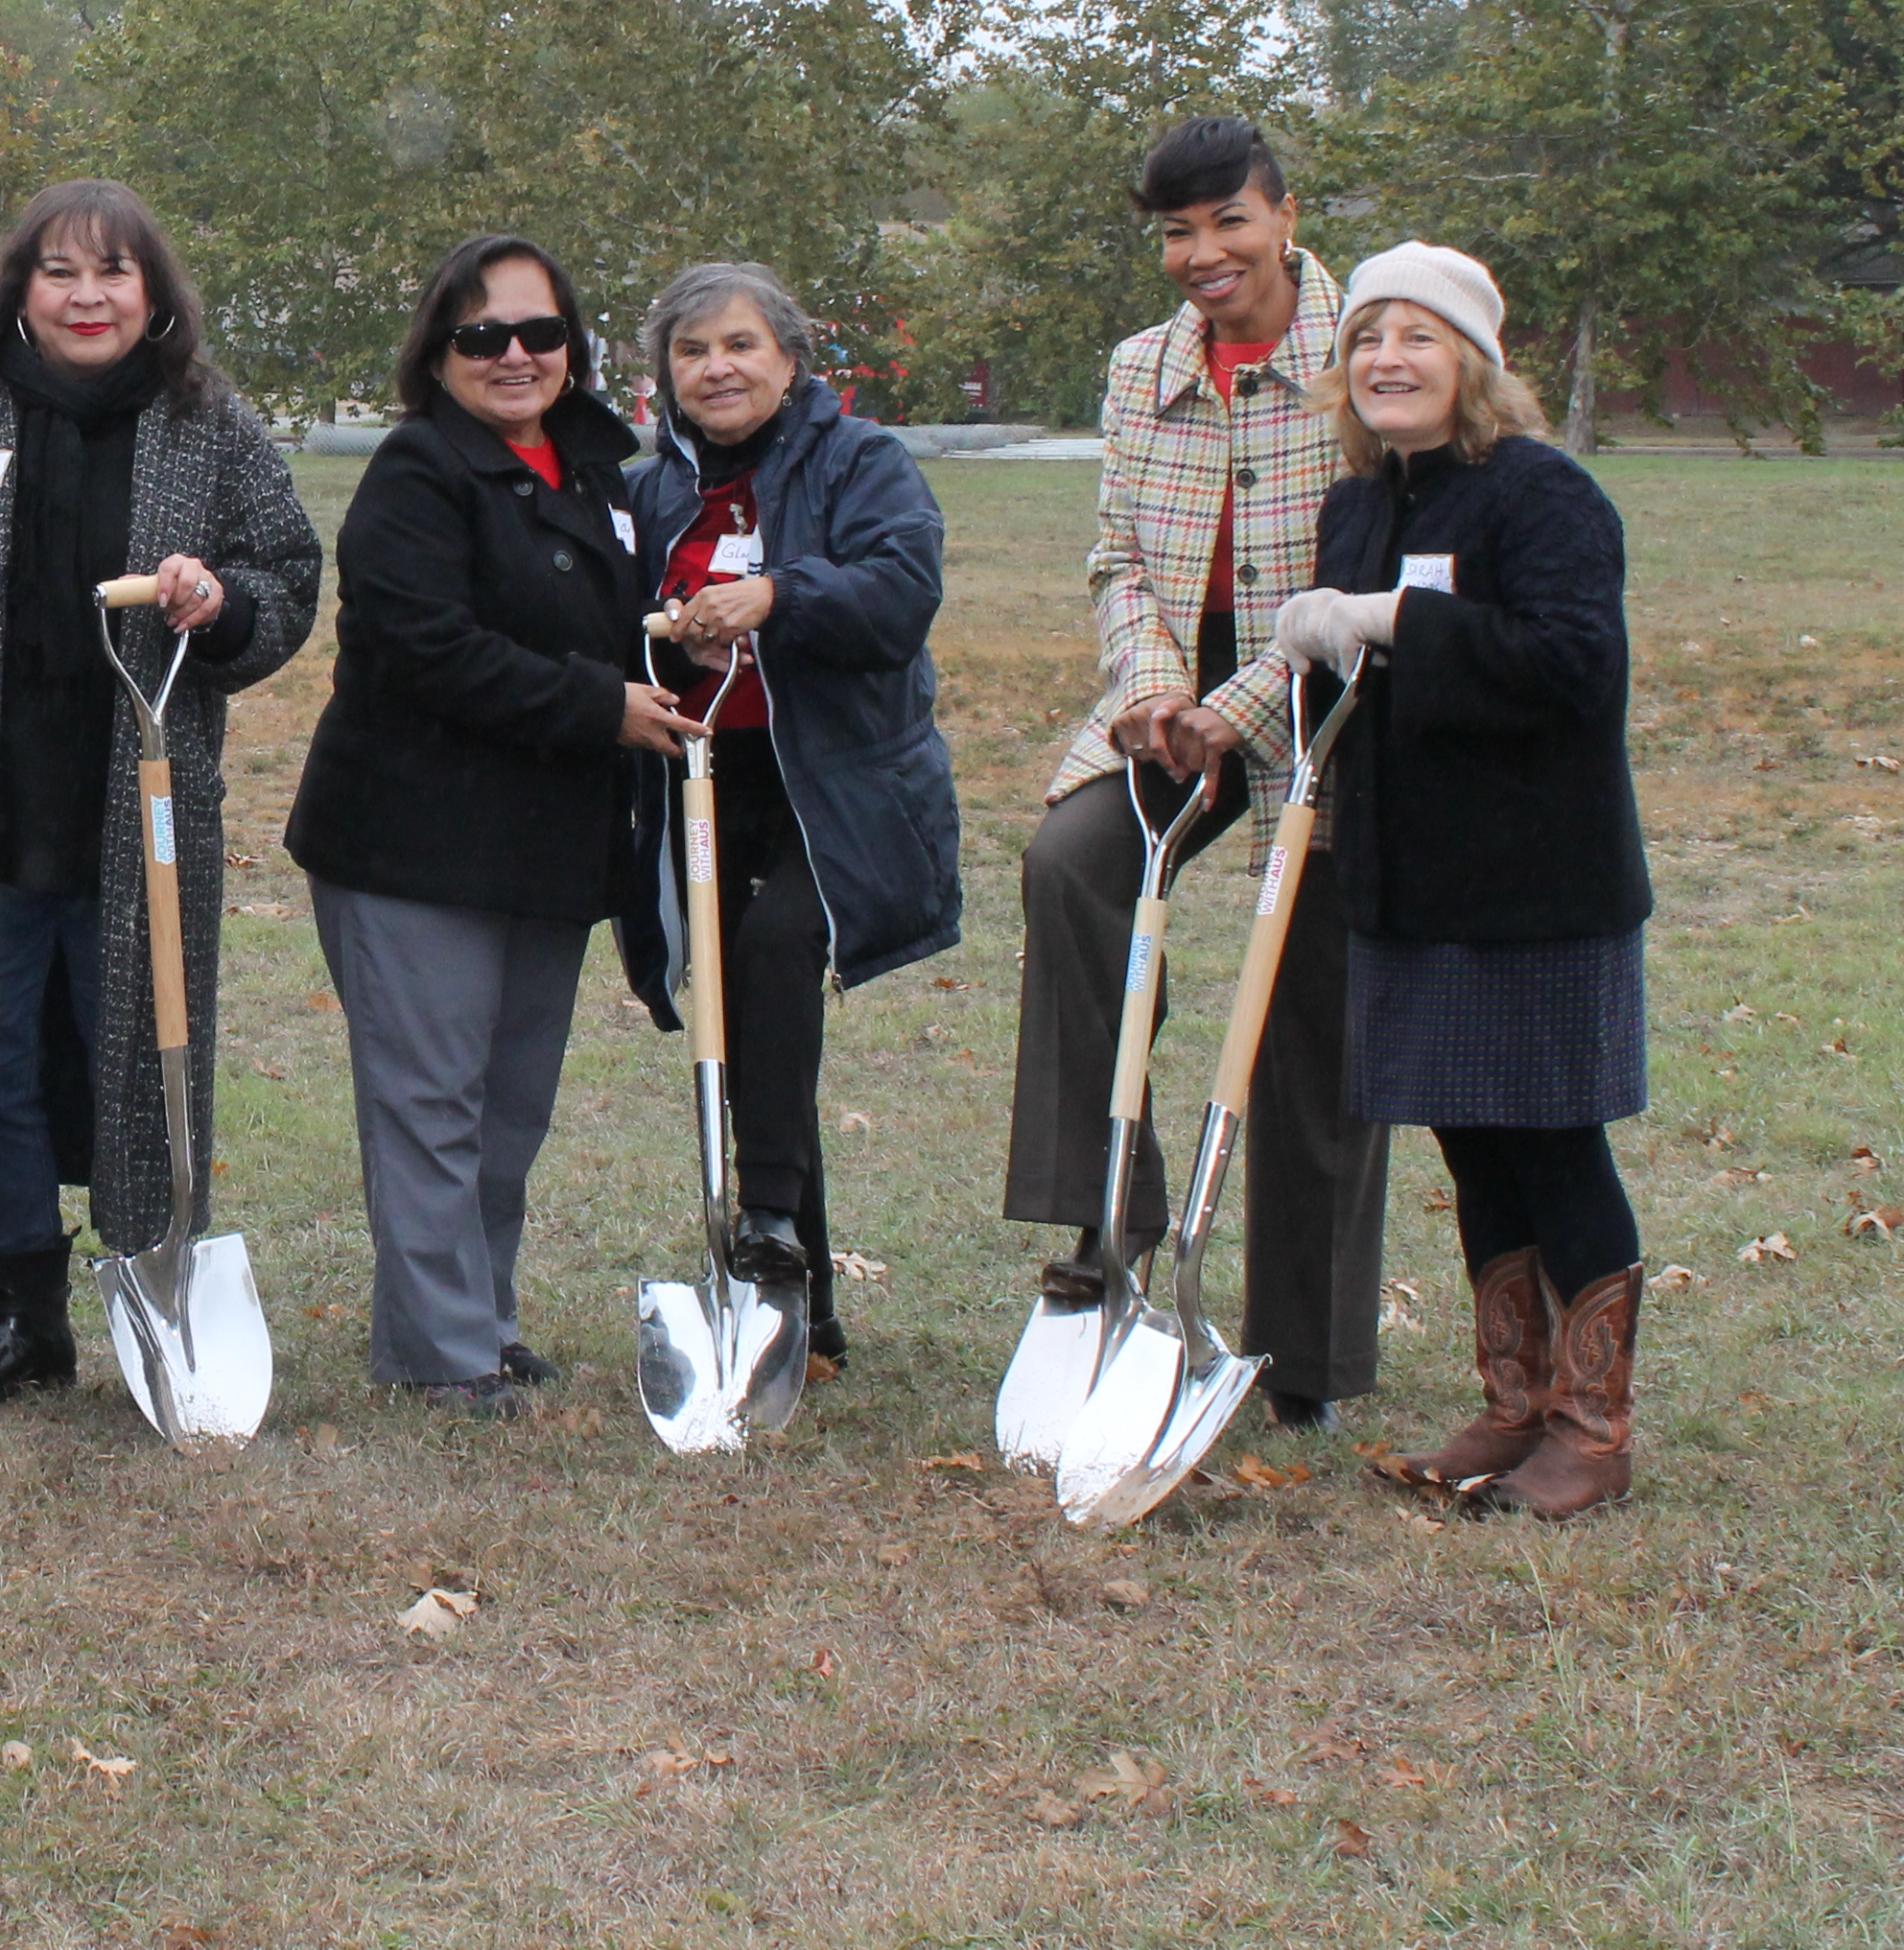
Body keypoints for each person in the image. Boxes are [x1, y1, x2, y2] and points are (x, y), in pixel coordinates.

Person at [0, 182, 320, 1401]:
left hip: (141, 796)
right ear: (19, 289)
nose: (87, 296)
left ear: (154, 293)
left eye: (114, 273)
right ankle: (25, 1316)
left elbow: (287, 568)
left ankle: (154, 1292)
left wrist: (217, 598)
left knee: (141, 1039)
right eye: (61, 272)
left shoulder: (207, 423)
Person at [999, 116, 1389, 1429]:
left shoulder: (1367, 355)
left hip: (1333, 692)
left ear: (1283, 214)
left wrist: (1238, 706)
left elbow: (1373, 587)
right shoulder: (1142, 369)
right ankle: (1112, 1221)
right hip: (1170, 691)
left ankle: (1306, 1355)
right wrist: (1157, 688)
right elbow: (1118, 560)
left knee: (1311, 1006)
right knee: (1072, 867)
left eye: (1228, 222)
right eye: (1176, 232)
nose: (1203, 254)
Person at [1272, 245, 1653, 1518]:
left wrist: (1385, 623)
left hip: (1537, 887)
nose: (1388, 358)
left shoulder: (1543, 498)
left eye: (1419, 337)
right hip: (1410, 882)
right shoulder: (1360, 507)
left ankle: (1592, 1429)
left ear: (1472, 361)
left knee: (1552, 1141)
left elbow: (1572, 664)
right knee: (1473, 1143)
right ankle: (1515, 1401)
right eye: (1369, 336)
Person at [286, 236, 687, 1412]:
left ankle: (483, 1316)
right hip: (414, 843)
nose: (515, 355)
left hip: (548, 839)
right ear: (439, 351)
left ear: (574, 345)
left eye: (540, 333)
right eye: (484, 336)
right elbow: (425, 648)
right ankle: (439, 1351)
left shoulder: (595, 473)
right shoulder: (417, 474)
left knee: (509, 1109)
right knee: (429, 1105)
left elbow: (605, 621)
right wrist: (597, 703)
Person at [613, 264, 959, 1366]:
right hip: (707, 780)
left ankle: (763, 1217)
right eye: (692, 351)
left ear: (791, 361)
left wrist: (780, 595)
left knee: (773, 953)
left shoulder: (863, 463)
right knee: (746, 1019)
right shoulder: (651, 488)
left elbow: (902, 591)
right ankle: (798, 1307)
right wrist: (657, 633)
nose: (717, 367)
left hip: (838, 789)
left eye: (741, 345)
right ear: (667, 375)